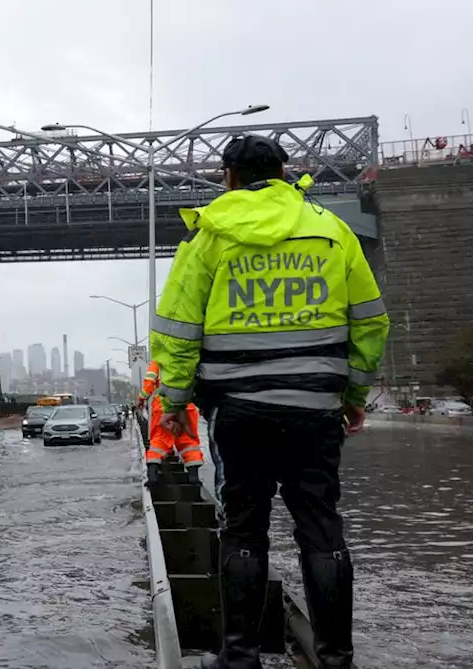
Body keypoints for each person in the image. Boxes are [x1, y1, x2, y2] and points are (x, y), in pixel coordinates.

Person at [150, 134, 389, 669]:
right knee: (322, 529)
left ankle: (239, 658)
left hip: (238, 413)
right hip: (314, 410)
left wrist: (173, 399)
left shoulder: (209, 236)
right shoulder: (332, 231)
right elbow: (370, 320)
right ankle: (336, 660)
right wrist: (352, 394)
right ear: (286, 173)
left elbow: (178, 331)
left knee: (243, 528)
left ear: (227, 176)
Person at [137, 359, 203, 485]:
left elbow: (149, 383)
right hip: (186, 404)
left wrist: (141, 398)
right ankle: (193, 477)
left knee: (159, 440)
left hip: (163, 405)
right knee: (188, 442)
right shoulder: (189, 358)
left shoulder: (158, 361)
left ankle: (153, 476)